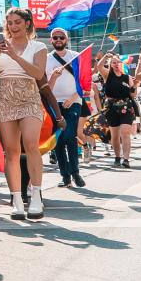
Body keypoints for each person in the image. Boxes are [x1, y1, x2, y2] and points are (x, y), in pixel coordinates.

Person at [0, 7, 53, 220]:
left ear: (28, 23)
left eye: (17, 22)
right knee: (10, 151)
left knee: (31, 144)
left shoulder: (38, 47)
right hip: (5, 97)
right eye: (10, 23)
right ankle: (17, 201)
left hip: (29, 96)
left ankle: (37, 196)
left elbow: (38, 74)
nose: (13, 27)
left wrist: (13, 55)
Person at [46, 29, 86, 188]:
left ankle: (75, 172)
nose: (58, 40)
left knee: (69, 136)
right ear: (51, 41)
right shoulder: (46, 59)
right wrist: (53, 78)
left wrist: (72, 99)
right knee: (59, 140)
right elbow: (46, 87)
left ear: (66, 40)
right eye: (55, 37)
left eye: (61, 37)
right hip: (54, 103)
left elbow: (84, 83)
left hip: (73, 102)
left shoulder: (75, 56)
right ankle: (65, 176)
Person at [100, 52, 136, 168]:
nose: (116, 64)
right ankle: (117, 157)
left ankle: (126, 159)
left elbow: (133, 94)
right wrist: (106, 56)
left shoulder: (127, 77)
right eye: (113, 63)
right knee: (115, 135)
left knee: (125, 133)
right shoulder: (107, 75)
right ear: (110, 65)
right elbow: (99, 67)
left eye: (118, 62)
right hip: (111, 107)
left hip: (126, 106)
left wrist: (133, 87)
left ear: (122, 63)